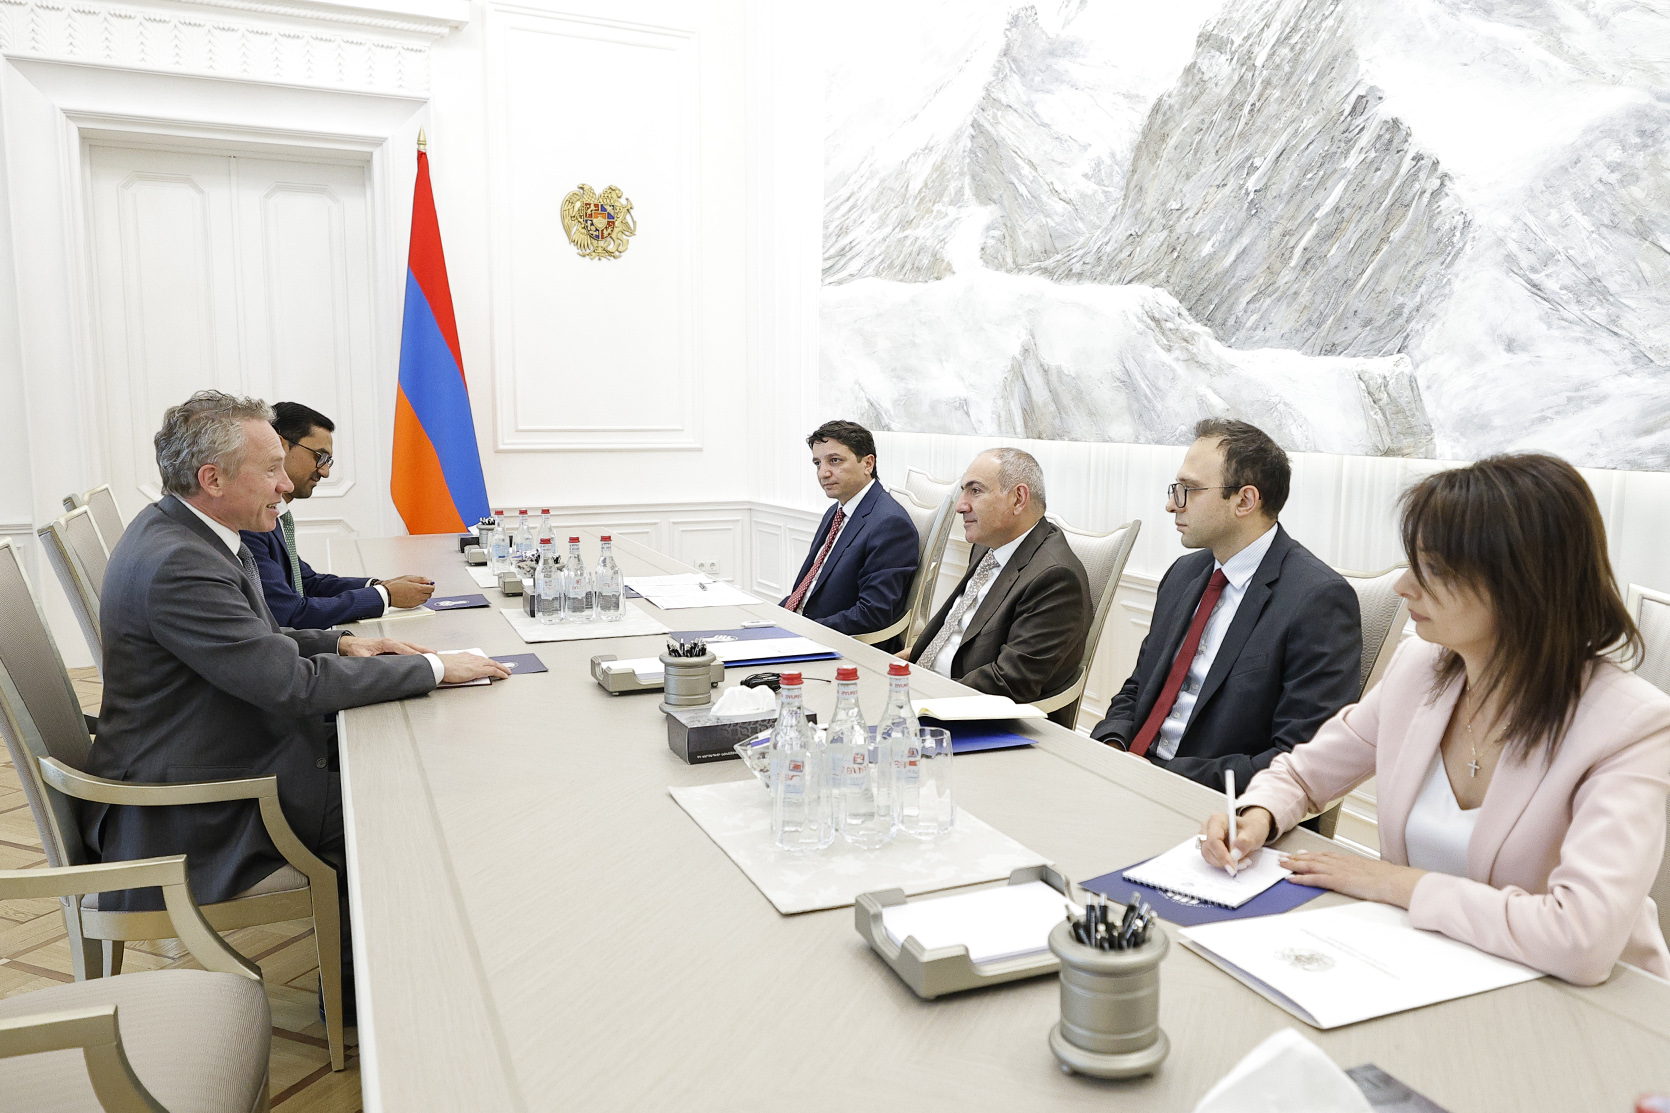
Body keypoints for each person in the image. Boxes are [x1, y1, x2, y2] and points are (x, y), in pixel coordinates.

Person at [83, 391, 509, 1019]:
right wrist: (436, 668)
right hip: (189, 806)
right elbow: (291, 686)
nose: (286, 485)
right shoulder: (180, 563)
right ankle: (372, 1003)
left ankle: (380, 976)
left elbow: (258, 639)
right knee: (396, 807)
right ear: (213, 478)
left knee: (393, 771)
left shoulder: (191, 532)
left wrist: (344, 643)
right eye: (272, 469)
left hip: (211, 752)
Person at [1200, 453, 1670, 984]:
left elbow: (1579, 939)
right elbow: (1304, 774)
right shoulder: (1420, 669)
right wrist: (1257, 815)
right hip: (1427, 968)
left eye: (1435, 569)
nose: (1403, 585)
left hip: (1583, 1005)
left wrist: (1394, 883)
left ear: (1524, 584)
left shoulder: (1631, 726)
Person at [1091, 419, 1361, 789]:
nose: (1171, 504)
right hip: (1130, 775)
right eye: (1175, 488)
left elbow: (1300, 756)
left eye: (1188, 490)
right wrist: (1114, 742)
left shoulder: (1318, 600)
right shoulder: (1184, 574)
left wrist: (1162, 778)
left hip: (1215, 800)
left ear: (1245, 501)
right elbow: (1139, 687)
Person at [908, 448, 1090, 728]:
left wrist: (925, 699)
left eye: (975, 491)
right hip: (926, 690)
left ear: (1018, 499)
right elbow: (956, 631)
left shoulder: (1056, 578)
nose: (960, 506)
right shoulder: (989, 544)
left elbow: (1011, 681)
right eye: (963, 491)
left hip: (974, 720)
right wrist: (906, 667)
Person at [242, 401, 436, 628]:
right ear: (281, 446)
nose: (325, 472)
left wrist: (380, 586)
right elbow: (291, 613)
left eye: (328, 461)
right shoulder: (251, 521)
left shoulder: (276, 515)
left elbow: (306, 583)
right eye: (319, 457)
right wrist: (385, 596)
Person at [781, 420, 920, 651]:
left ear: (868, 463)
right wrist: (776, 619)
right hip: (800, 631)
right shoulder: (836, 511)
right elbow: (807, 590)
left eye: (835, 460)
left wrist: (805, 630)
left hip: (839, 647)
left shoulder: (890, 524)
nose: (823, 473)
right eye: (818, 463)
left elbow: (873, 613)